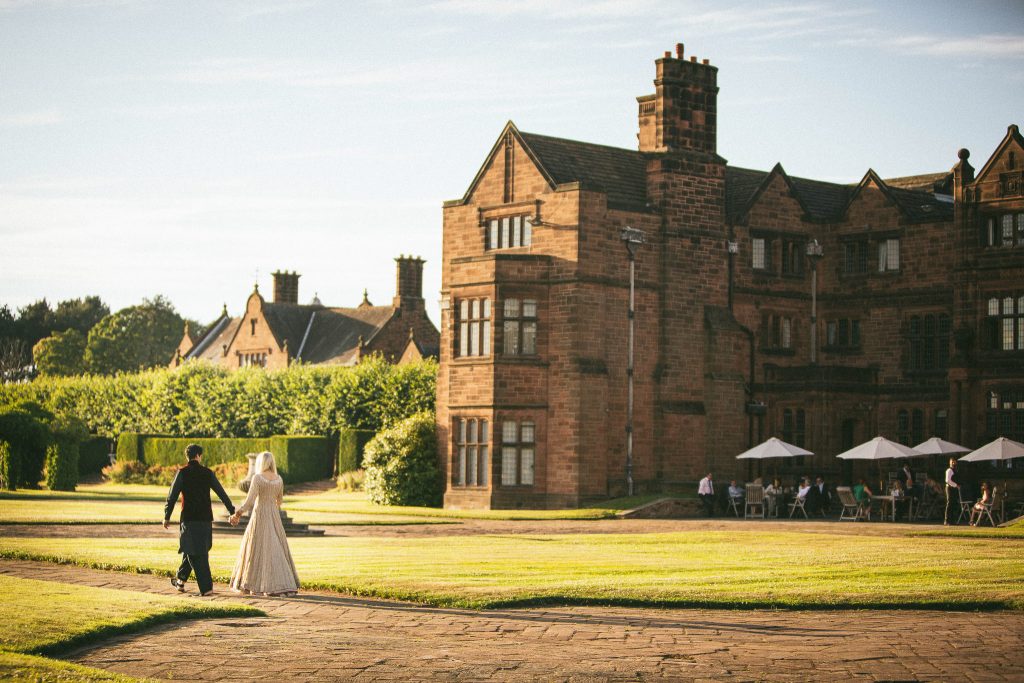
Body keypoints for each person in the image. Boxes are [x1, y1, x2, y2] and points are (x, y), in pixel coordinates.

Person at [164, 443, 236, 596]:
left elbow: (172, 496)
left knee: (194, 551)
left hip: (189, 519)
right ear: (198, 456)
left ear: (187, 456)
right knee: (196, 550)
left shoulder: (182, 473)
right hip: (204, 520)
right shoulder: (207, 473)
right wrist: (231, 510)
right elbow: (221, 493)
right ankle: (180, 580)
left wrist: (167, 516)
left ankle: (206, 588)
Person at [228, 451, 300, 596]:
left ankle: (255, 583)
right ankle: (283, 583)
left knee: (256, 548)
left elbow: (249, 501)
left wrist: (237, 514)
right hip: (274, 516)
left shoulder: (257, 478)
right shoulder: (279, 479)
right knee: (275, 547)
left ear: (261, 462)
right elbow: (279, 501)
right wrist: (271, 505)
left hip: (259, 515)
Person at [944, 457, 960, 526]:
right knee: (949, 503)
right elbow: (947, 480)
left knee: (953, 504)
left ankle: (952, 520)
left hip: (954, 488)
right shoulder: (949, 470)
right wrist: (956, 485)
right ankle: (946, 520)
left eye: (954, 461)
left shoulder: (955, 470)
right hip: (949, 488)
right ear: (950, 462)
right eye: (952, 462)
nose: (953, 463)